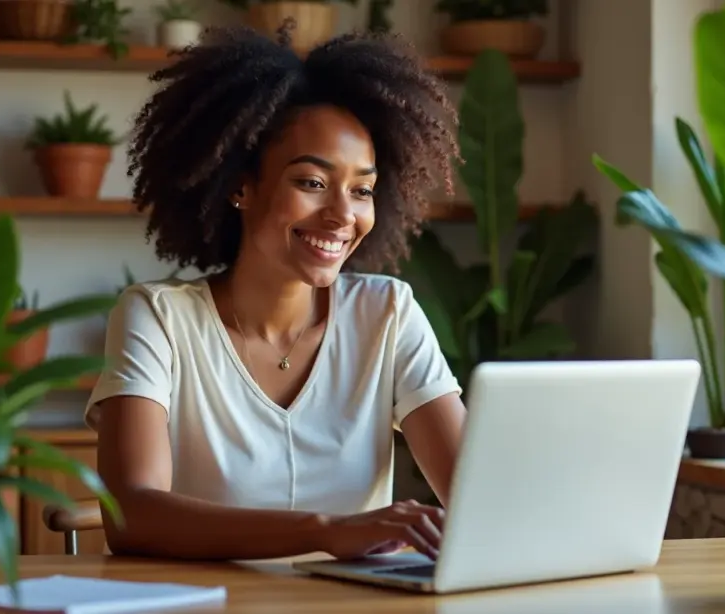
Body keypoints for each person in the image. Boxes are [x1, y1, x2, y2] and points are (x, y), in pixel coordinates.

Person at [83, 22, 466, 562]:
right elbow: (133, 515)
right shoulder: (159, 318)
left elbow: (477, 497)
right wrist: (325, 531)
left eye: (362, 190)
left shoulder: (388, 313)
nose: (342, 215)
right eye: (311, 182)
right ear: (241, 185)